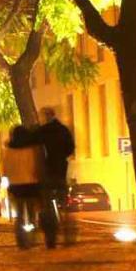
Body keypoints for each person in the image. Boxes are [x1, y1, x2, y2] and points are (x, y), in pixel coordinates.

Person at [37, 106, 77, 247]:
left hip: (48, 170)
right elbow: (71, 147)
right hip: (61, 168)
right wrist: (62, 156)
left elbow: (36, 147)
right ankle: (66, 221)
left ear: (46, 116)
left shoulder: (42, 131)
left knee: (47, 202)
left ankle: (51, 236)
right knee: (63, 197)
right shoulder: (63, 130)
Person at [0, 125, 45, 249]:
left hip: (15, 187)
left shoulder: (7, 151)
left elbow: (4, 170)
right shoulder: (32, 150)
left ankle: (21, 241)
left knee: (19, 215)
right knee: (31, 214)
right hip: (31, 185)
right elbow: (38, 167)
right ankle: (31, 238)